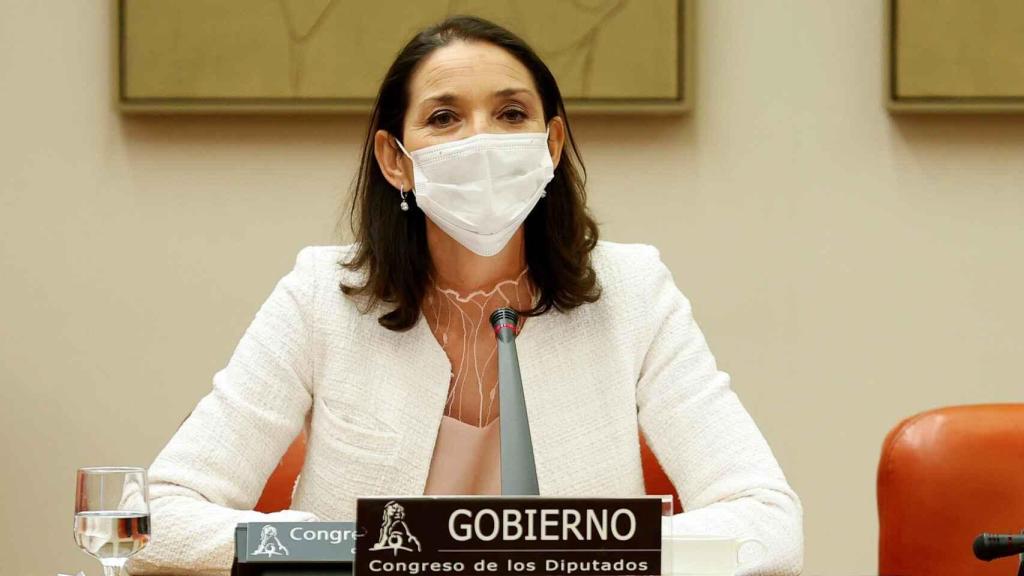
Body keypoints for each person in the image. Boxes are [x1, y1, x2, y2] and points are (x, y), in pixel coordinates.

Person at [127, 15, 803, 576]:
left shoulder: (633, 291)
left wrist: (598, 550)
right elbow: (157, 515)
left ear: (552, 143)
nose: (481, 139)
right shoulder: (321, 297)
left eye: (511, 114)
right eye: (445, 117)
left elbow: (769, 522)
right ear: (396, 159)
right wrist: (340, 551)